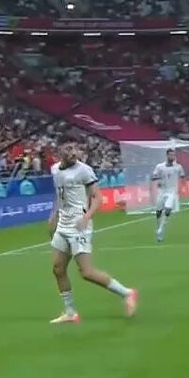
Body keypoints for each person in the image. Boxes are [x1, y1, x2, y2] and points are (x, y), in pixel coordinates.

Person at [47, 139, 138, 324]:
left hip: (79, 225)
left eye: (75, 147)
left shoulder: (84, 170)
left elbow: (98, 197)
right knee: (58, 269)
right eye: (69, 148)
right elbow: (60, 196)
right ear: (59, 150)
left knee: (86, 272)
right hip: (63, 224)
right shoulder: (55, 170)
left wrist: (87, 217)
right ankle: (70, 312)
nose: (74, 152)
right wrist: (54, 215)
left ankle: (127, 293)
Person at [150, 148, 186, 243]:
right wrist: (158, 179)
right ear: (167, 155)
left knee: (168, 209)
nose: (172, 157)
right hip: (161, 191)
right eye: (171, 155)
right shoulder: (160, 167)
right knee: (158, 212)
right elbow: (153, 176)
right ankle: (158, 228)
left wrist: (182, 187)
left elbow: (182, 176)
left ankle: (161, 230)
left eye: (173, 155)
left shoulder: (178, 167)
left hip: (171, 192)